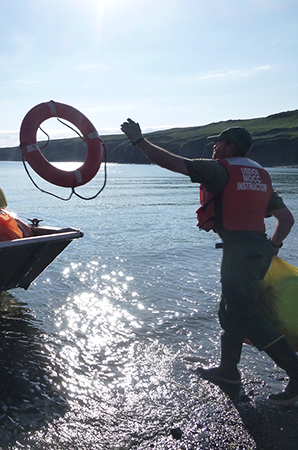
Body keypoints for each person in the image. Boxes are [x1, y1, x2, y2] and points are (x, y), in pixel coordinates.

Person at [120, 118, 298, 405]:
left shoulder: (220, 169)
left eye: (218, 142)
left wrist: (138, 140)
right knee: (229, 310)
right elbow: (286, 220)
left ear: (229, 146)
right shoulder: (261, 176)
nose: (214, 147)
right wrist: (272, 248)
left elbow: (171, 162)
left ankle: (296, 373)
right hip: (255, 250)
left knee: (245, 316)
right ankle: (228, 370)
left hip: (240, 252)